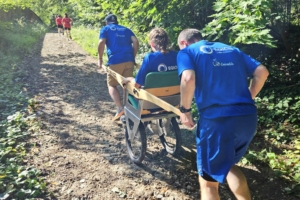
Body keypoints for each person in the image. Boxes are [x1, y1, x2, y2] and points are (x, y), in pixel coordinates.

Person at [177, 29, 269, 200]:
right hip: (247, 118)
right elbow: (262, 72)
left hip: (217, 122)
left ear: (183, 42)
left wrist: (185, 111)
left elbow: (188, 78)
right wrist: (248, 96)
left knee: (208, 182)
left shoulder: (187, 52)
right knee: (228, 164)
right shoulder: (231, 49)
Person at [98, 14, 139, 121]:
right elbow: (135, 41)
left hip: (115, 61)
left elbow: (101, 42)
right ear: (116, 21)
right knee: (126, 84)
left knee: (112, 85)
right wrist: (132, 57)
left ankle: (121, 108)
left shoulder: (105, 29)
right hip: (129, 60)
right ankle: (131, 107)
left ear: (106, 22)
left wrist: (100, 59)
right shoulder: (126, 29)